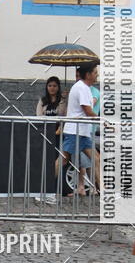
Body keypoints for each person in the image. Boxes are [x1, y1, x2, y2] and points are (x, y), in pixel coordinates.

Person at [61, 62, 99, 197]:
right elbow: (88, 111)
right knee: (63, 160)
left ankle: (105, 192)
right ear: (88, 74)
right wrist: (104, 122)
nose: (97, 75)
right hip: (75, 132)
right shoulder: (81, 88)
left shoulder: (86, 88)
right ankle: (44, 189)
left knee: (96, 159)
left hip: (82, 131)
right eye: (95, 72)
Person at [35, 76, 67, 201]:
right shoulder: (43, 101)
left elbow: (64, 115)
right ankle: (43, 188)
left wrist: (64, 100)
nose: (52, 88)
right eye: (49, 85)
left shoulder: (61, 100)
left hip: (58, 133)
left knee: (57, 161)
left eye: (54, 86)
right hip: (45, 133)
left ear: (58, 87)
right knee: (45, 161)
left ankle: (55, 188)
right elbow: (38, 116)